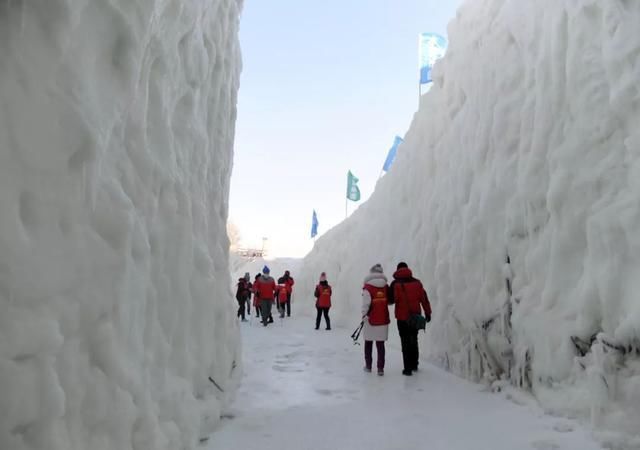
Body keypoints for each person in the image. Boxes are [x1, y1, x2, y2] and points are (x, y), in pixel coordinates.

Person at [388, 262, 432, 376]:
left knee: (405, 341)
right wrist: (428, 313)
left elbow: (391, 301)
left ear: (397, 270)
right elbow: (424, 299)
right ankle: (414, 364)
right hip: (415, 317)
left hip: (402, 319)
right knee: (414, 339)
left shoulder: (395, 284)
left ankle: (407, 368)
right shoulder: (417, 283)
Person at [361, 264, 390, 376]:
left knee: (368, 343)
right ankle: (380, 369)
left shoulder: (367, 287)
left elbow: (365, 304)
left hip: (370, 319)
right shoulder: (385, 287)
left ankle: (368, 366)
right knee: (380, 344)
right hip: (383, 319)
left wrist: (364, 315)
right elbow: (389, 301)